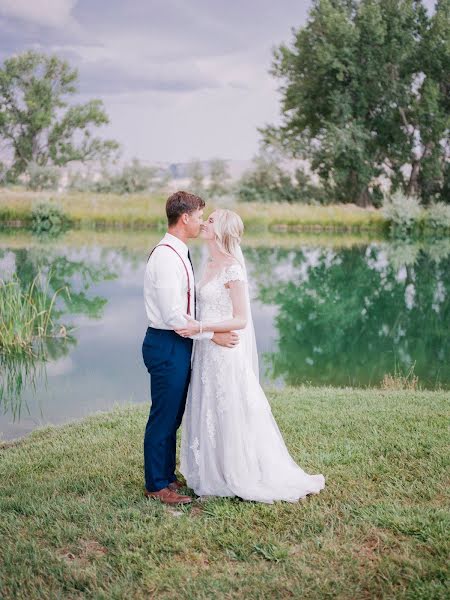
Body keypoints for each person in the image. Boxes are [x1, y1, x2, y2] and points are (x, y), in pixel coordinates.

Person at [177, 208, 325, 503]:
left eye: (210, 221)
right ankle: (210, 470)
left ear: (220, 231)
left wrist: (202, 327)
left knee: (228, 407)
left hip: (225, 352)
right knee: (208, 407)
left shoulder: (233, 268)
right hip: (206, 348)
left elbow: (241, 319)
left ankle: (237, 471)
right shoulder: (208, 264)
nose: (204, 223)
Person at [142, 192, 239, 505]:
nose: (201, 222)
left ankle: (167, 476)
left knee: (173, 416)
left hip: (179, 341)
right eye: (199, 216)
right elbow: (172, 315)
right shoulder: (166, 256)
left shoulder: (178, 252)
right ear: (184, 218)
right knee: (163, 416)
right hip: (167, 342)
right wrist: (211, 336)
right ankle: (157, 485)